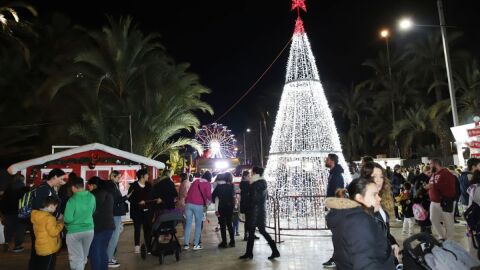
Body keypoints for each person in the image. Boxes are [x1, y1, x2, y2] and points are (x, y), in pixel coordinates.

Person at [326, 177, 395, 269]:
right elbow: (365, 264)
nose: (379, 198)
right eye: (374, 195)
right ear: (359, 198)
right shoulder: (359, 221)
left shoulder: (350, 217)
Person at [361, 162, 400, 263]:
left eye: (381, 176)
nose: (378, 180)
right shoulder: (364, 204)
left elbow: (384, 231)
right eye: (374, 176)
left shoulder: (378, 200)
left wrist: (393, 243)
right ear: (366, 178)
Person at [239, 166, 280, 260]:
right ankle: (250, 253)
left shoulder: (255, 184)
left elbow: (253, 199)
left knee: (256, 231)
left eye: (251, 172)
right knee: (258, 231)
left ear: (254, 173)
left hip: (254, 212)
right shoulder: (262, 182)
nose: (250, 174)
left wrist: (247, 204)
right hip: (260, 211)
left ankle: (273, 251)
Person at [29, 168, 66, 270]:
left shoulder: (48, 188)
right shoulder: (44, 189)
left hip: (44, 225)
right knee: (42, 255)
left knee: (39, 253)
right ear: (54, 177)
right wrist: (57, 216)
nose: (62, 181)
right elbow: (42, 207)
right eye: (61, 178)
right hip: (44, 226)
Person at [64, 176, 96, 270]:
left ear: (73, 187)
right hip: (89, 230)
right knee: (83, 256)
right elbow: (93, 211)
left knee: (76, 258)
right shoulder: (91, 196)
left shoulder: (72, 200)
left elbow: (68, 219)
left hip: (74, 232)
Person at [425, 158, 456, 240]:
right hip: (433, 201)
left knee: (448, 221)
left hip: (443, 201)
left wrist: (433, 186)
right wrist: (429, 187)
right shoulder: (434, 174)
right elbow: (432, 184)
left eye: (430, 164)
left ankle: (449, 239)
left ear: (436, 164)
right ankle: (442, 235)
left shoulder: (446, 173)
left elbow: (450, 188)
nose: (429, 166)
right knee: (433, 219)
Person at [87, 177, 115, 270]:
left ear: (94, 185)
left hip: (98, 228)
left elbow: (90, 211)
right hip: (109, 227)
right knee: (103, 251)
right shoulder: (108, 193)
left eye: (89, 185)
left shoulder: (93, 195)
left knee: (95, 252)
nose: (88, 188)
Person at [323, 153, 345, 268]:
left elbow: (338, 193)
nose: (325, 161)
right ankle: (336, 258)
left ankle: (336, 259)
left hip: (337, 209)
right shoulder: (333, 173)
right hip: (335, 208)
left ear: (332, 161)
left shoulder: (336, 175)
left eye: (327, 159)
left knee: (338, 236)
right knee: (337, 236)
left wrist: (333, 205)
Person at [103, 170, 129, 268]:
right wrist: (126, 197)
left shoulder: (112, 185)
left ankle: (110, 256)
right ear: (112, 176)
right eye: (118, 177)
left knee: (114, 236)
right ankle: (109, 258)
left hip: (114, 213)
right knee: (114, 237)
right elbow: (115, 200)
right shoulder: (111, 185)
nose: (119, 179)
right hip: (115, 214)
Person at [31, 196, 64, 270]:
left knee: (42, 265)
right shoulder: (50, 218)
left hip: (40, 246)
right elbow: (53, 232)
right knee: (49, 266)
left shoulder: (36, 215)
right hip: (49, 247)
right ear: (51, 206)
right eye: (55, 207)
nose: (55, 209)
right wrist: (61, 224)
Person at [128, 169, 156, 253]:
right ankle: (137, 246)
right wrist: (138, 202)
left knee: (147, 229)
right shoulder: (133, 186)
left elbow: (152, 196)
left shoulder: (149, 185)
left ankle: (148, 246)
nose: (148, 176)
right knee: (137, 228)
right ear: (142, 176)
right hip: (136, 211)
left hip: (147, 212)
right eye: (147, 175)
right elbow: (130, 198)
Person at [183, 171, 212, 250]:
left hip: (188, 204)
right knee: (198, 225)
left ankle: (186, 244)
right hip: (198, 205)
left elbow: (189, 192)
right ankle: (196, 245)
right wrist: (209, 201)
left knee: (188, 224)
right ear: (210, 178)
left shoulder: (196, 181)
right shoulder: (208, 184)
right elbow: (209, 196)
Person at [1, 174, 28, 252]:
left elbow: (3, 202)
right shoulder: (25, 189)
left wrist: (3, 213)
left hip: (8, 212)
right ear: (22, 180)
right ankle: (17, 246)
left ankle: (7, 243)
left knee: (8, 228)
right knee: (20, 229)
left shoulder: (8, 189)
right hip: (21, 212)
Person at [212, 172, 235, 248]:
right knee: (229, 224)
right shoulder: (232, 186)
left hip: (221, 207)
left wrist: (214, 201)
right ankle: (232, 242)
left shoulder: (219, 187)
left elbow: (213, 196)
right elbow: (233, 196)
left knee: (222, 225)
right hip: (230, 207)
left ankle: (224, 242)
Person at [413, 166, 432, 233]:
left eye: (430, 172)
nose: (430, 173)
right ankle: (423, 233)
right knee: (423, 216)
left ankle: (428, 231)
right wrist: (425, 189)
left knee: (427, 216)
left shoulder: (428, 177)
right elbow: (417, 191)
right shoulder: (420, 179)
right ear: (424, 171)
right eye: (428, 172)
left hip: (426, 200)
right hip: (422, 201)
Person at [466, 170, 480, 258]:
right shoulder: (476, 188)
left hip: (472, 218)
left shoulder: (472, 187)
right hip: (476, 218)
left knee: (471, 240)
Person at [239, 170, 252, 241]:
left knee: (249, 220)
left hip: (246, 203)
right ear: (245, 176)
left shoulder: (244, 183)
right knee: (248, 220)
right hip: (247, 203)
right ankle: (247, 235)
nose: (249, 177)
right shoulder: (245, 183)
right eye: (248, 176)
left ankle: (249, 234)